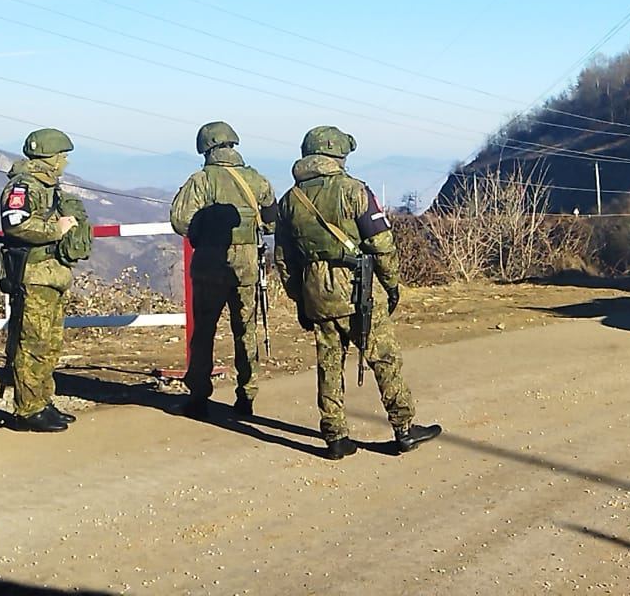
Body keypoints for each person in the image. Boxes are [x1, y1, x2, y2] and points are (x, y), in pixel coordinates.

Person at [274, 126, 440, 460]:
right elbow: (382, 243)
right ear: (338, 155)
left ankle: (335, 436)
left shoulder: (290, 200)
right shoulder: (354, 190)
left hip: (316, 291)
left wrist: (300, 297)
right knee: (384, 358)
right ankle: (404, 429)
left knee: (329, 363)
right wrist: (391, 284)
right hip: (357, 287)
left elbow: (283, 258)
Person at [170, 121, 277, 419]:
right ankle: (247, 395)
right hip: (247, 268)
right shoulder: (257, 180)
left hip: (209, 265)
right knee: (246, 331)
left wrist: (203, 234)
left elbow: (180, 220)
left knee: (204, 332)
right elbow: (271, 222)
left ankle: (198, 398)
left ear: (206, 147)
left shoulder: (201, 181)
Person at [0, 128, 91, 432]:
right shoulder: (23, 186)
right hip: (34, 276)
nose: (65, 161)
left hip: (52, 275)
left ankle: (42, 400)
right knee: (32, 344)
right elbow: (15, 224)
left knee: (50, 344)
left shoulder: (48, 186)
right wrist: (57, 229)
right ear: (49, 157)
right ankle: (27, 410)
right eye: (62, 155)